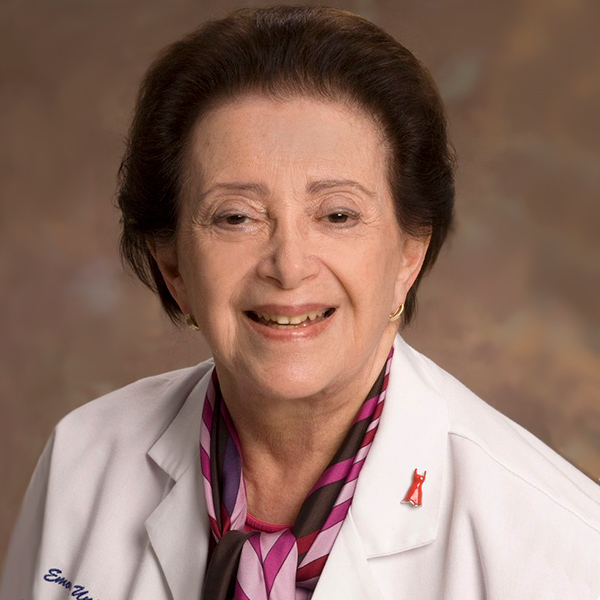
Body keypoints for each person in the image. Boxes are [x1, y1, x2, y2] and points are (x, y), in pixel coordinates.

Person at [2, 5, 599, 600]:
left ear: (408, 255)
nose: (288, 267)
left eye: (337, 215)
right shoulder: (82, 459)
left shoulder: (560, 547)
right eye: (236, 217)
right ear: (173, 265)